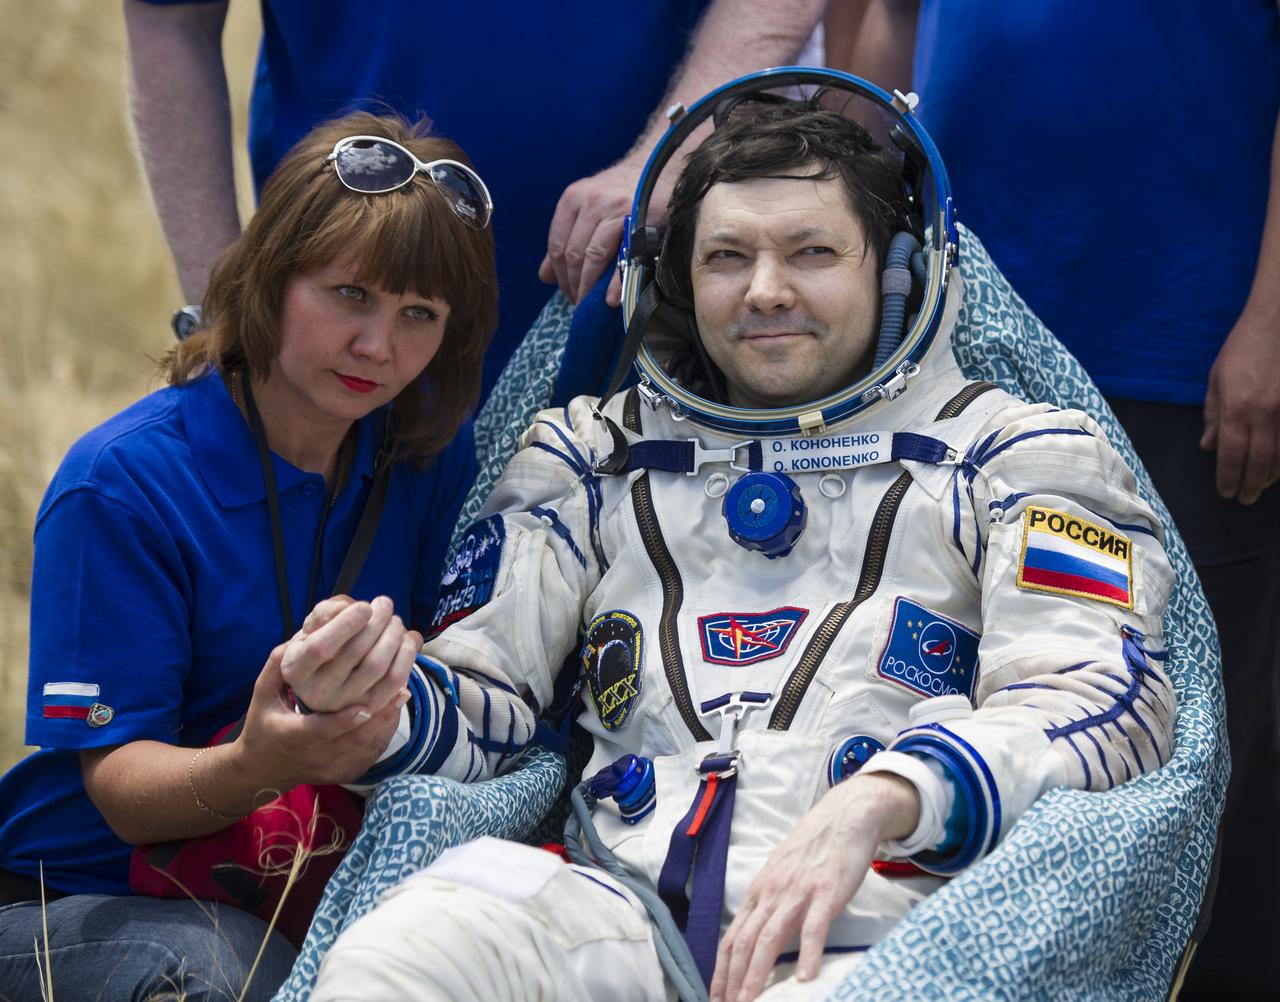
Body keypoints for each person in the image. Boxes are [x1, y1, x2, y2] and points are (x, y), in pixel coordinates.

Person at [297, 78, 1178, 1002]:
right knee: (402, 955)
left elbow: (1103, 704)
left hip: (895, 928)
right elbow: (482, 698)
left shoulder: (1020, 456)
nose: (765, 291)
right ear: (676, 282)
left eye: (812, 252)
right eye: (726, 257)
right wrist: (366, 707)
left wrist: (890, 797)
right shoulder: (592, 455)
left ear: (898, 269)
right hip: (622, 907)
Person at [825, 6, 1279, 995]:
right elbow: (887, 23)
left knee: (1177, 724)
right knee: (948, 683)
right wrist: (821, 207)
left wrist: (1272, 324)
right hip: (953, 333)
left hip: (1176, 352)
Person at [0, 111, 497, 1001]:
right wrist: (261, 761)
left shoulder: (427, 452)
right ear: (268, 275)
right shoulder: (121, 482)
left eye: (418, 314)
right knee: (234, 975)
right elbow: (120, 791)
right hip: (70, 896)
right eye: (350, 294)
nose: (378, 347)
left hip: (295, 882)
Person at [122, 0, 828, 403]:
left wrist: (667, 151)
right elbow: (170, 17)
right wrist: (221, 312)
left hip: (630, 295)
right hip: (343, 313)